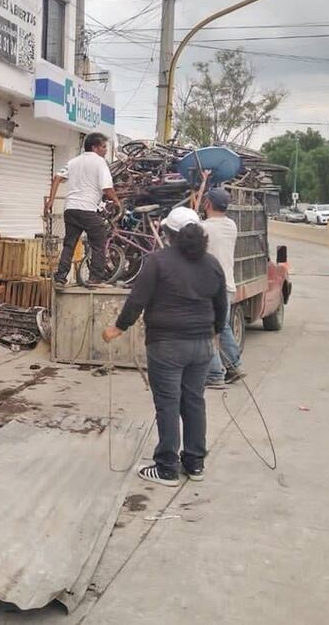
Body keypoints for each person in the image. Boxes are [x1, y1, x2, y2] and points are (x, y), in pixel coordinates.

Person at [101, 207, 228, 487]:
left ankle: (167, 468)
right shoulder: (212, 264)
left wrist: (118, 328)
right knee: (194, 401)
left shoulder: (158, 261)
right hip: (202, 345)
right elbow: (222, 305)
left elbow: (137, 301)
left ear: (168, 233)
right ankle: (195, 464)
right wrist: (216, 332)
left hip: (167, 345)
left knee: (168, 404)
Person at [44, 132, 120, 288]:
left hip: (71, 209)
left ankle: (60, 278)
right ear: (95, 147)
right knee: (99, 242)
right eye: (103, 146)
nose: (106, 150)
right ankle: (95, 278)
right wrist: (117, 201)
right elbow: (107, 188)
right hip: (88, 209)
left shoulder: (73, 162)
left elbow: (57, 178)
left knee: (69, 244)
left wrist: (51, 200)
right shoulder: (100, 162)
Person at [200, 188, 245, 388]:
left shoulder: (202, 229)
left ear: (208, 204)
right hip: (227, 285)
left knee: (208, 329)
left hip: (209, 288)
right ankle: (235, 366)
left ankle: (215, 375)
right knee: (223, 326)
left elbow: (188, 232)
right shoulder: (231, 225)